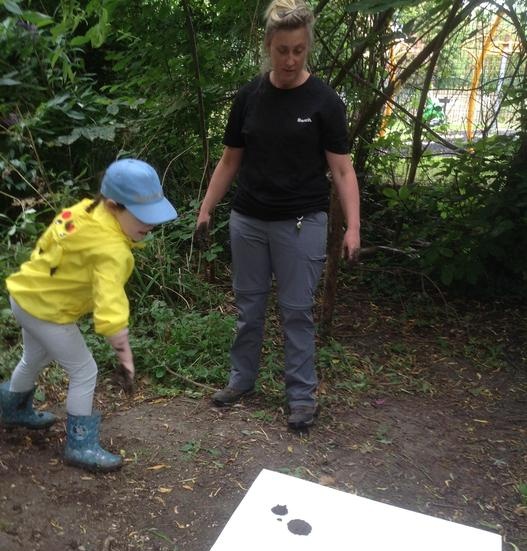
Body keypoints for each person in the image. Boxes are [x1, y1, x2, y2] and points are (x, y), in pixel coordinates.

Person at [196, 0, 360, 430]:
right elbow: (230, 160)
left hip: (301, 222)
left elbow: (343, 170)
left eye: (298, 50)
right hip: (248, 220)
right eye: (282, 50)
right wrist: (207, 208)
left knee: (296, 311)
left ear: (308, 48)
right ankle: (241, 380)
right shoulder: (249, 97)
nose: (290, 60)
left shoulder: (324, 101)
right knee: (248, 308)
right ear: (268, 45)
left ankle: (302, 397)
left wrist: (353, 227)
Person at [0, 158, 178, 472]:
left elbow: (48, 244)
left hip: (25, 296)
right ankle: (80, 444)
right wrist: (124, 354)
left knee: (34, 357)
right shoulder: (113, 250)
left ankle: (13, 410)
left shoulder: (83, 210)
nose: (150, 224)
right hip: (47, 311)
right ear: (113, 205)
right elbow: (110, 304)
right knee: (85, 371)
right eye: (142, 215)